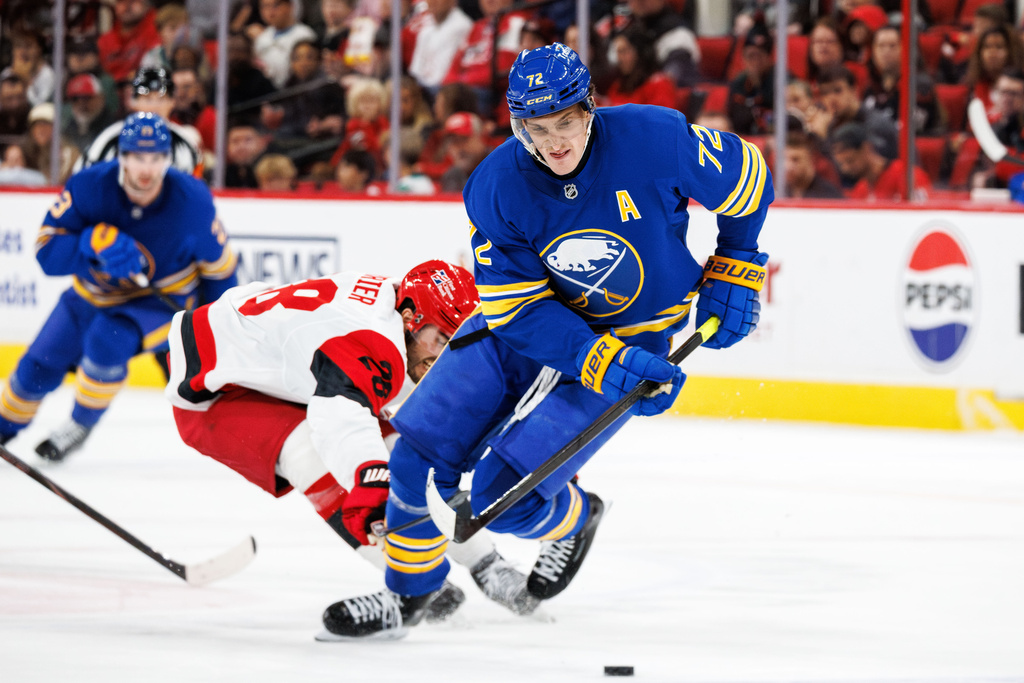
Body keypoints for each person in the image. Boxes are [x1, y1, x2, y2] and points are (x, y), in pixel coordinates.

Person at [321, 42, 772, 638]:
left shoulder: (656, 138)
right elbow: (518, 308)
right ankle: (408, 597)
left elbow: (749, 178)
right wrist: (596, 359)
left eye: (568, 122)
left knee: (506, 499)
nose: (556, 141)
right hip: (526, 332)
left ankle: (574, 518)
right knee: (414, 458)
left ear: (590, 108)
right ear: (516, 124)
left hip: (634, 338)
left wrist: (737, 260)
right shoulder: (495, 186)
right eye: (538, 128)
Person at [164, 261, 540, 622]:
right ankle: (409, 579)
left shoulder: (405, 309)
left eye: (452, 343)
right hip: (215, 389)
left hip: (280, 362)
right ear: (411, 321)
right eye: (440, 339)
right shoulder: (372, 341)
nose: (443, 357)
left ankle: (485, 562)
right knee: (308, 455)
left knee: (411, 453)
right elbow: (338, 419)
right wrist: (370, 478)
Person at [0, 113, 238, 461]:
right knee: (37, 366)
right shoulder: (87, 186)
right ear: (121, 157)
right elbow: (47, 256)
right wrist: (89, 242)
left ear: (168, 160)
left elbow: (221, 273)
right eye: (138, 157)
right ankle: (5, 426)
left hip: (159, 303)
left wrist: (218, 331)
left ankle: (79, 425)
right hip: (89, 296)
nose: (146, 168)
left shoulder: (192, 202)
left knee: (106, 340)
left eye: (156, 158)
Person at [74, 67, 204, 179]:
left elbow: (194, 190)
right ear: (133, 102)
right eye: (147, 99)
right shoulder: (108, 141)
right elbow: (82, 181)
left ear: (172, 102)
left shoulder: (185, 144)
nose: (155, 106)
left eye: (161, 99)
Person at [830, 121, 931, 200]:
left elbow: (923, 214)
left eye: (850, 161)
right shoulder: (861, 190)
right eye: (841, 164)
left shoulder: (907, 175)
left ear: (866, 148)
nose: (845, 169)